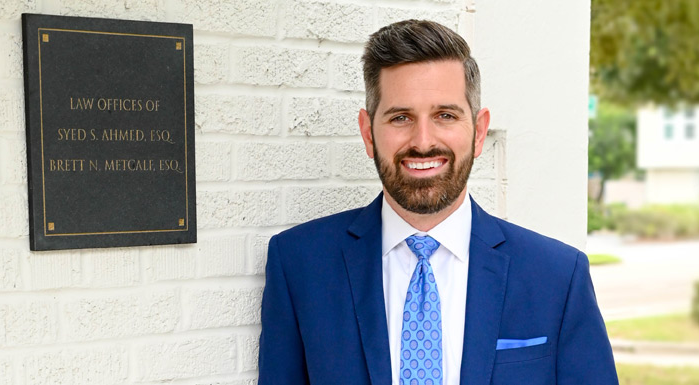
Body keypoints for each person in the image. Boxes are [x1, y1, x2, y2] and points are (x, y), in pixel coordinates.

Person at [258, 19, 618, 385]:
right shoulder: (300, 265)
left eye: (445, 115)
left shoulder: (557, 276)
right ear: (368, 134)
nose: (423, 141)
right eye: (401, 117)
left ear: (479, 132)